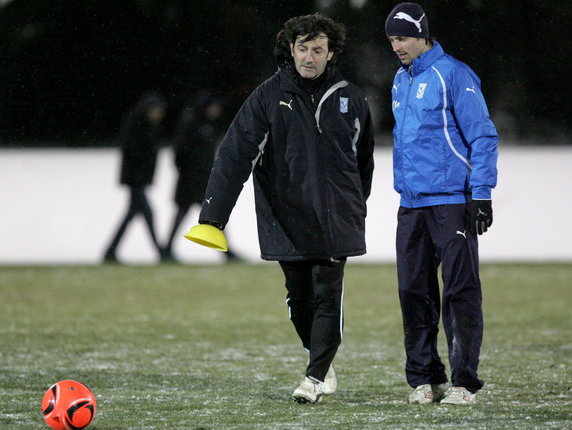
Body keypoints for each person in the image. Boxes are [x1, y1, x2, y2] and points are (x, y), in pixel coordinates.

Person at [188, 14, 374, 403]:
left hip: (336, 219)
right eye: (302, 48)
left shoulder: (351, 98)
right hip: (286, 217)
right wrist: (212, 218)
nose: (309, 56)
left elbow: (363, 161)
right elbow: (235, 156)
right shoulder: (268, 96)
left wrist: (354, 206)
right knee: (299, 298)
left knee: (328, 295)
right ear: (291, 50)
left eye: (317, 49)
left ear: (331, 53)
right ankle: (320, 360)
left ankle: (315, 377)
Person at [385, 3, 499, 405]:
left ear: (422, 35)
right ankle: (424, 379)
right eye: (392, 39)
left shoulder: (453, 74)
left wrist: (481, 194)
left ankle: (464, 382)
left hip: (452, 201)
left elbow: (483, 136)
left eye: (402, 37)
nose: (396, 46)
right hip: (412, 203)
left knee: (459, 291)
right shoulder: (401, 80)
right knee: (413, 291)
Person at [163, 91, 241, 263]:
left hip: (203, 181)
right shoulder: (192, 124)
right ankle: (167, 249)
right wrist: (188, 173)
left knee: (210, 215)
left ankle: (225, 251)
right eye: (214, 107)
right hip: (190, 181)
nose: (217, 111)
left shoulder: (207, 125)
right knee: (191, 214)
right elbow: (179, 154)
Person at [103, 92, 168, 263]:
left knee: (133, 214)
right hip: (135, 179)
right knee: (147, 214)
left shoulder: (145, 125)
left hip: (139, 179)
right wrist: (140, 174)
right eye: (157, 110)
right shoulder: (138, 125)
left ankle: (111, 251)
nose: (159, 114)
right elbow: (134, 152)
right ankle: (160, 251)